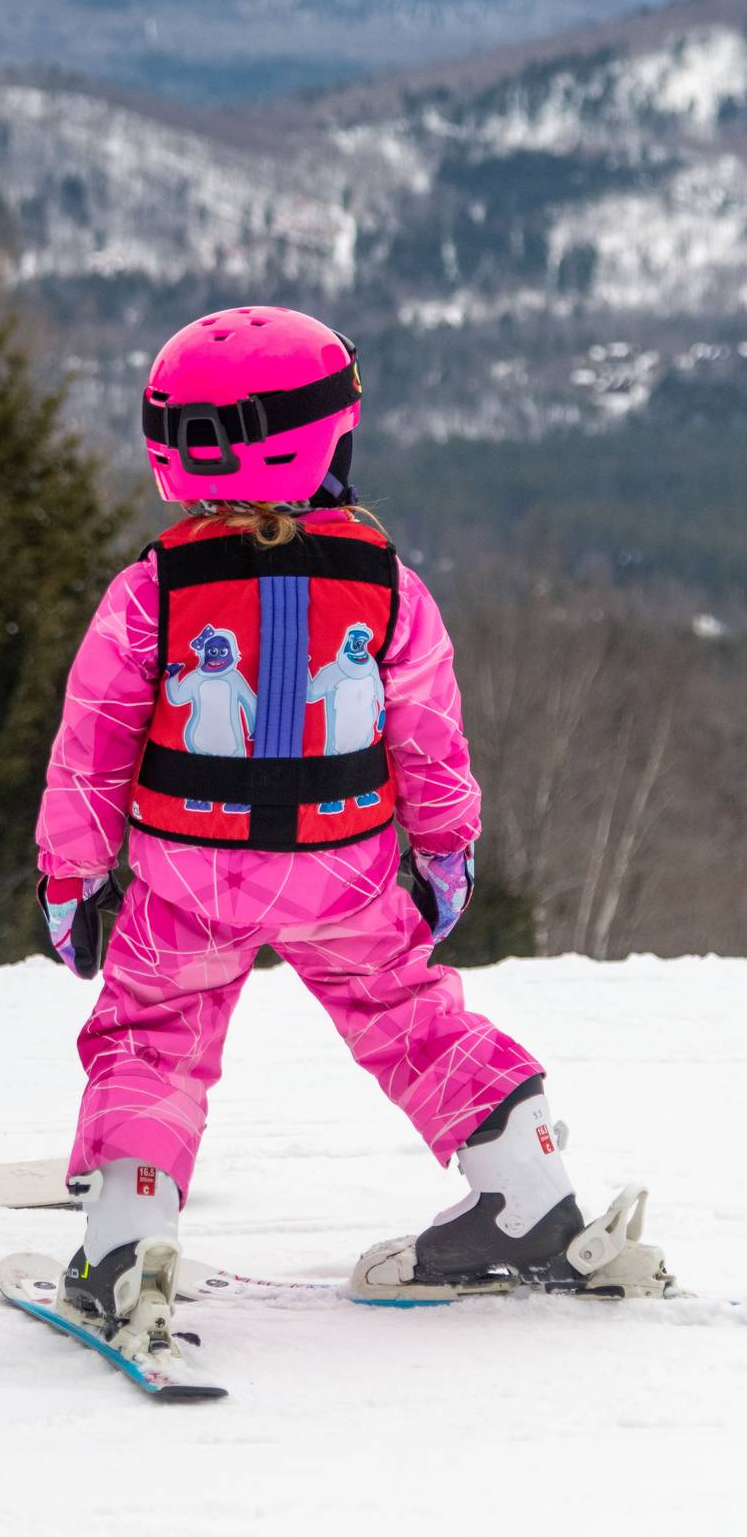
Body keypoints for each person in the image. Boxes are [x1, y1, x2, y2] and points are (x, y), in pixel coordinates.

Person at [34, 305, 666, 1351]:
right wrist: (447, 854)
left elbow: (91, 746)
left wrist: (71, 875)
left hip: (185, 876)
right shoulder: (387, 589)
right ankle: (529, 1200)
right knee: (414, 1016)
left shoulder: (150, 593)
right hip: (347, 870)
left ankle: (127, 1243)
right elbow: (430, 742)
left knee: (152, 1036)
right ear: (328, 436)